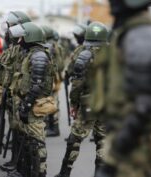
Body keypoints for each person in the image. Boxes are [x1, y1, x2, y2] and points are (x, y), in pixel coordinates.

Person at [93, 0, 151, 177]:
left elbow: (144, 104)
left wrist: (119, 148)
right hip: (131, 139)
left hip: (137, 143)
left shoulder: (141, 36)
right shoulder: (132, 32)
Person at [55, 22, 109, 177]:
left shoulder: (84, 54)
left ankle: (65, 173)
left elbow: (77, 83)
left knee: (75, 139)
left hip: (88, 103)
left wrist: (74, 104)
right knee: (103, 140)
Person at [8, 21, 55, 177]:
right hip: (29, 103)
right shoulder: (31, 53)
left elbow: (37, 85)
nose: (19, 40)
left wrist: (26, 105)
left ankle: (40, 173)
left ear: (30, 38)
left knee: (37, 142)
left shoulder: (39, 55)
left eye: (22, 37)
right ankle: (28, 172)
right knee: (29, 141)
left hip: (35, 105)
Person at [0, 11, 31, 174]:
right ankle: (16, 161)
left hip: (20, 94)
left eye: (12, 27)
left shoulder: (24, 48)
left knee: (21, 131)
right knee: (15, 129)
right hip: (11, 93)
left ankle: (21, 164)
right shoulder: (13, 46)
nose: (9, 31)